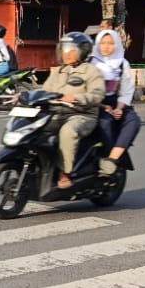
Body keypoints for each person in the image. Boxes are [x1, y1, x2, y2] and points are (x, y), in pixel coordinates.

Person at [45, 31, 106, 189]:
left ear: (82, 51)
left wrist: (77, 98)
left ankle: (64, 172)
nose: (66, 53)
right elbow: (45, 90)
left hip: (82, 115)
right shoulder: (59, 71)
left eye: (71, 49)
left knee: (68, 131)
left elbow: (97, 94)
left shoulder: (91, 71)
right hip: (58, 112)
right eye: (64, 49)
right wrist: (23, 96)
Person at [90, 30, 140, 176]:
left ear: (117, 45)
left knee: (133, 121)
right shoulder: (89, 62)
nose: (106, 47)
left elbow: (126, 89)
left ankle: (112, 160)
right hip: (93, 102)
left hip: (113, 100)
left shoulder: (122, 64)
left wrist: (119, 108)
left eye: (111, 43)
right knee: (105, 123)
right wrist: (101, 106)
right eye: (103, 43)